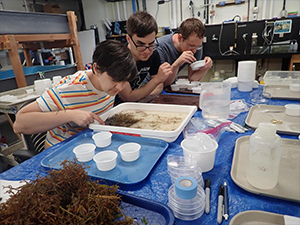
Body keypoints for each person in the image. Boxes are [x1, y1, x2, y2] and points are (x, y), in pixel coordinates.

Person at [13, 40, 137, 149]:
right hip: (62, 152)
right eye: (115, 80)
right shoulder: (68, 88)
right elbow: (19, 124)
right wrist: (70, 115)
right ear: (96, 69)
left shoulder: (110, 86)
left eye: (124, 81)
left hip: (92, 144)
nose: (120, 87)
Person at [114, 11, 172, 105]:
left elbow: (159, 86)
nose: (147, 51)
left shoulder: (153, 53)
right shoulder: (120, 58)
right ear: (128, 39)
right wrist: (157, 79)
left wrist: (143, 100)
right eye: (140, 44)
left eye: (151, 44)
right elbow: (128, 97)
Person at [156, 18, 213, 87]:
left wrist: (206, 67)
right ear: (180, 38)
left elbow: (192, 79)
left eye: (198, 46)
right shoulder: (160, 46)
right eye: (191, 46)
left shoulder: (196, 46)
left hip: (170, 85)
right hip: (151, 88)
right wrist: (176, 65)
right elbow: (162, 83)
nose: (194, 51)